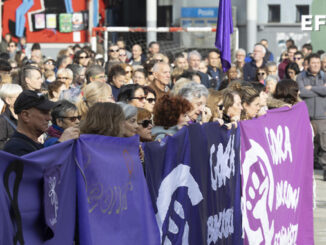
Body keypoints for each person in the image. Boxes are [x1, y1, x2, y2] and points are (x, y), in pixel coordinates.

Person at [3, 90, 79, 156]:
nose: (49, 118)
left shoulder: (33, 143)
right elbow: (43, 170)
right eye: (44, 112)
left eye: (49, 113)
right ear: (25, 115)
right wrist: (61, 144)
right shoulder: (15, 148)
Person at [296, 53, 326, 177]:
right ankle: (307, 171)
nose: (316, 65)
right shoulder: (300, 77)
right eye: (313, 63)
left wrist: (311, 88)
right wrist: (319, 90)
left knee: (324, 145)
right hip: (306, 116)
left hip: (322, 116)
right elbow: (302, 92)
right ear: (308, 64)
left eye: (318, 63)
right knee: (307, 144)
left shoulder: (324, 76)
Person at [0, 84, 22, 149]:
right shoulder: (2, 120)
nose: (23, 99)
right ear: (8, 100)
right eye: (19, 97)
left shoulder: (25, 115)